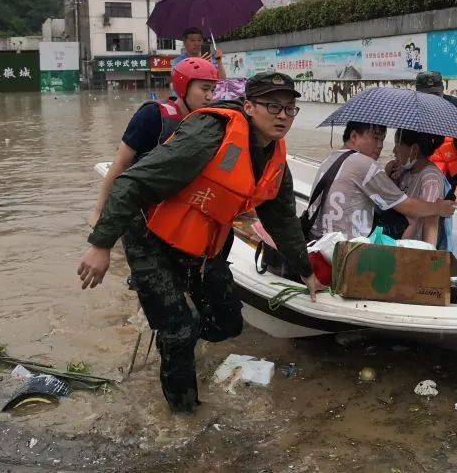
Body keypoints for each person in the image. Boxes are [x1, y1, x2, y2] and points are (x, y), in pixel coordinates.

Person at [77, 71, 322, 413]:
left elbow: (281, 219)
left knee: (228, 323)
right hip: (150, 238)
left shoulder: (274, 155)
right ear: (249, 106)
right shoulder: (209, 133)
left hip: (202, 248)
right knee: (177, 334)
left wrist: (305, 271)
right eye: (272, 106)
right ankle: (184, 415)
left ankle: (174, 328)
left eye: (289, 109)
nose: (282, 116)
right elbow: (130, 182)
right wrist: (101, 245)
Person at [87, 57, 219, 229]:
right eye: (204, 89)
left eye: (213, 90)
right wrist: (99, 211)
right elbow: (120, 162)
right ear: (183, 87)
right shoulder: (152, 115)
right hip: (143, 209)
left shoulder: (207, 121)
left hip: (179, 210)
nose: (210, 96)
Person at [307, 122, 457, 241]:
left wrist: (387, 175)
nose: (380, 146)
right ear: (354, 137)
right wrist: (438, 208)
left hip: (318, 240)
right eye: (375, 138)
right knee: (410, 219)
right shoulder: (365, 163)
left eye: (382, 139)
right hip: (346, 246)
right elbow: (407, 207)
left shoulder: (331, 158)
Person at [415, 71, 457, 204]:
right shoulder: (412, 113)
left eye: (436, 95)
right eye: (426, 96)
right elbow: (406, 149)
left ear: (442, 91)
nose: (432, 100)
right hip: (429, 177)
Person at [386, 129, 452, 249]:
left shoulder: (430, 179)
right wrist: (389, 176)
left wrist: (428, 254)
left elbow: (431, 223)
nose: (394, 151)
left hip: (413, 250)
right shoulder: (405, 172)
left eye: (398, 145)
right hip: (397, 242)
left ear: (414, 150)